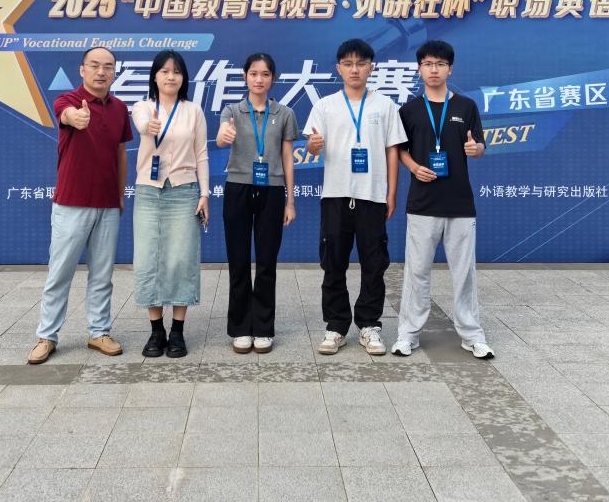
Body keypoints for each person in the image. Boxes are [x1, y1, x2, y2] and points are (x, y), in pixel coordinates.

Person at [391, 40, 494, 359]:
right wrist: (413, 167)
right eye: (427, 64)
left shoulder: (466, 106)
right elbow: (399, 149)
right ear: (419, 69)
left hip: (460, 204)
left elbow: (480, 146)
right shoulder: (409, 110)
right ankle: (408, 334)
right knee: (417, 273)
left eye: (440, 64)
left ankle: (472, 334)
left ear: (450, 69)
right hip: (422, 203)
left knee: (464, 274)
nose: (433, 69)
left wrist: (476, 149)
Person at [28, 47, 132, 365]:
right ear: (82, 69)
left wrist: (119, 196)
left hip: (107, 205)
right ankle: (47, 336)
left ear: (114, 72)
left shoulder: (120, 108)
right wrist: (76, 118)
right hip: (71, 203)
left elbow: (121, 154)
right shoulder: (69, 101)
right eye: (95, 66)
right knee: (60, 273)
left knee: (102, 274)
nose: (102, 72)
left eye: (108, 67)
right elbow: (66, 115)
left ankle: (99, 332)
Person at [304, 38, 406, 355]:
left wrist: (391, 192)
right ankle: (336, 326)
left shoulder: (385, 106)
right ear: (339, 68)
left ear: (371, 67)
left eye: (361, 63)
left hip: (372, 196)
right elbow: (312, 146)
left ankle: (369, 325)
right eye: (348, 64)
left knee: (374, 264)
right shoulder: (325, 106)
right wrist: (312, 147)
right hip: (335, 195)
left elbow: (392, 150)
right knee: (333, 263)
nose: (355, 69)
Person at [216, 53, 300, 353]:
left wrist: (290, 201)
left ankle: (263, 327)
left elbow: (288, 158)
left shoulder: (285, 113)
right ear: (245, 77)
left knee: (266, 261)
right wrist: (224, 136)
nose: (259, 79)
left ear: (273, 78)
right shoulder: (232, 111)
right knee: (238, 261)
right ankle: (240, 327)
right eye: (253, 73)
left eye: (265, 74)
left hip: (272, 191)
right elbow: (221, 138)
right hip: (238, 188)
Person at [131, 50, 210, 358]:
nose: (170, 77)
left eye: (176, 72)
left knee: (181, 259)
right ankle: (156, 331)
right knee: (148, 258)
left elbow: (201, 155)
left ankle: (177, 330)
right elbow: (141, 123)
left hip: (184, 190)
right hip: (149, 191)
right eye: (164, 71)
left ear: (183, 78)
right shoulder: (143, 107)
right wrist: (147, 127)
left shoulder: (193, 111)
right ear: (155, 76)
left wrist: (204, 194)